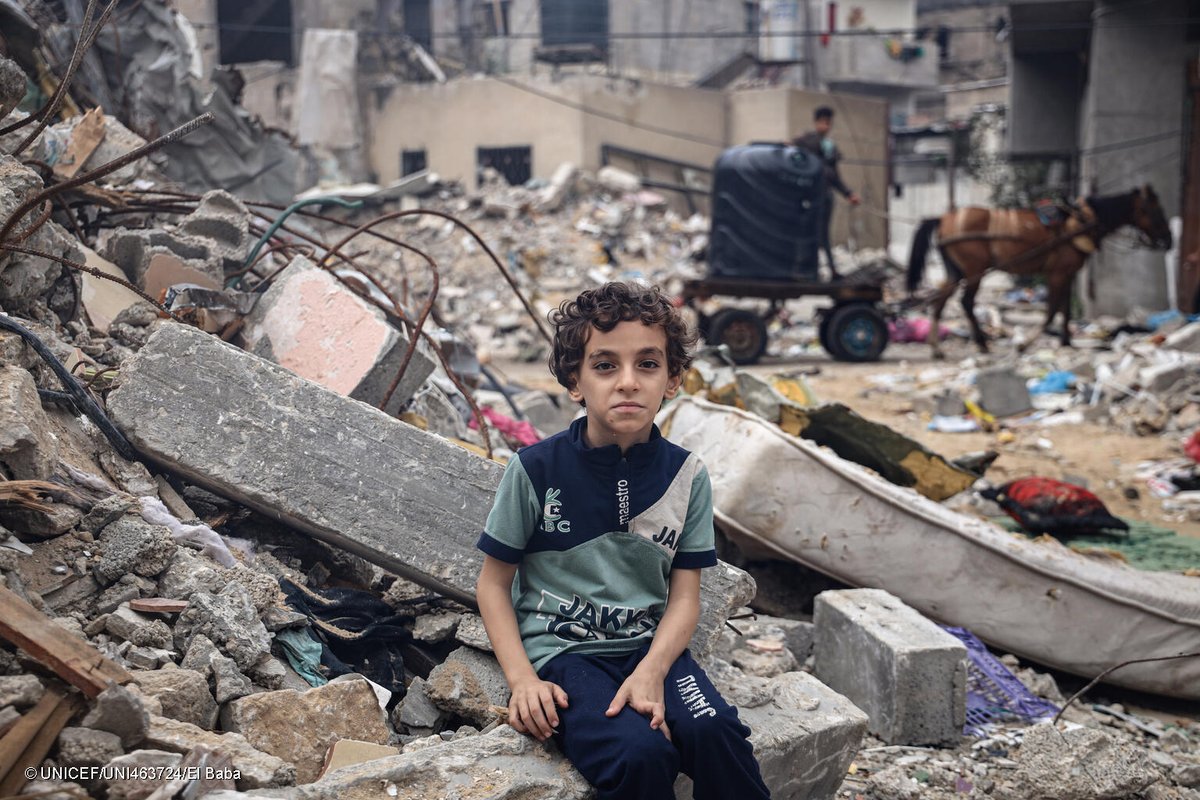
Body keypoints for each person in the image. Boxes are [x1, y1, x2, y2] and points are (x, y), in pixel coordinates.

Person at [475, 282, 771, 800]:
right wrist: (523, 680)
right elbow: (493, 585)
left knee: (715, 731)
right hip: (567, 654)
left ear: (673, 379)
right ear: (575, 380)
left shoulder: (686, 476)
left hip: (648, 648)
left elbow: (685, 598)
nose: (628, 382)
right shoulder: (535, 469)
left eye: (648, 364)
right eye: (606, 365)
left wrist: (652, 671)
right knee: (640, 753)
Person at [793, 106, 861, 280]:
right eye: (822, 122)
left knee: (823, 234)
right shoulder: (806, 141)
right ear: (816, 122)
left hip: (825, 196)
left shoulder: (829, 146)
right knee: (810, 234)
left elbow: (834, 176)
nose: (825, 126)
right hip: (810, 197)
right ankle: (809, 271)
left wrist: (848, 193)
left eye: (828, 123)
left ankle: (830, 270)